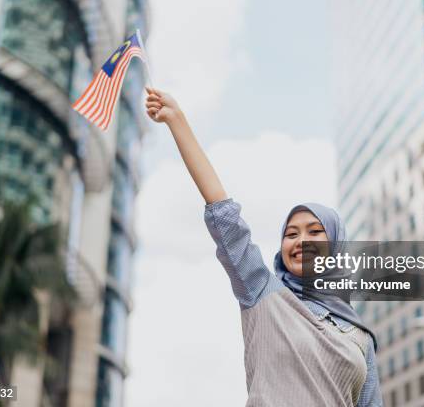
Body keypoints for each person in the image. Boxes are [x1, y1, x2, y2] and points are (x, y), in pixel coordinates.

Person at [145, 87, 383, 407]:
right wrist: (177, 121)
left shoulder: (360, 337)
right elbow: (225, 217)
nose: (301, 242)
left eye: (315, 232)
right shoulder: (262, 292)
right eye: (291, 234)